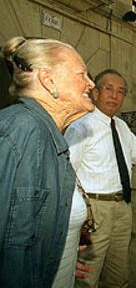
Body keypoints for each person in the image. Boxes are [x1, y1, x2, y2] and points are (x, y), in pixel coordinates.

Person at [65, 69, 136, 288]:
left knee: (118, 274)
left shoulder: (121, 126)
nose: (115, 96)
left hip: (122, 208)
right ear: (95, 93)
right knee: (86, 277)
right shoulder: (81, 127)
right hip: (94, 211)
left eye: (121, 91)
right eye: (108, 89)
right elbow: (66, 174)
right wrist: (76, 220)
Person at [0, 36, 95, 288]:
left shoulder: (46, 134)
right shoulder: (22, 130)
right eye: (82, 74)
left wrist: (56, 256)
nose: (91, 83)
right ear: (47, 79)